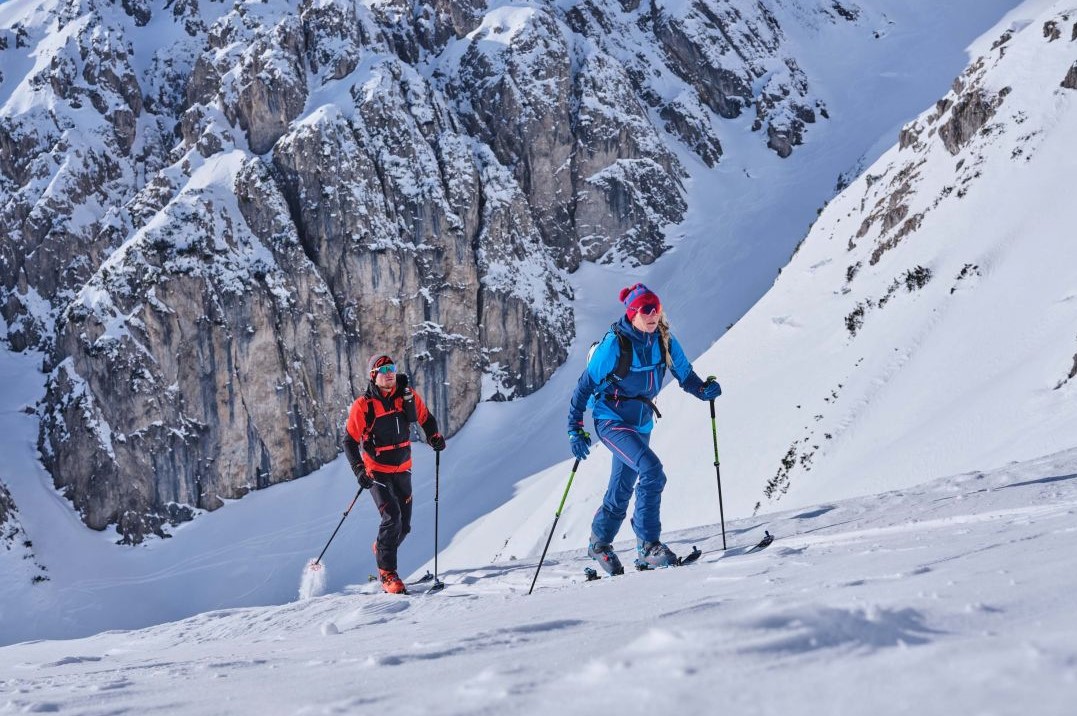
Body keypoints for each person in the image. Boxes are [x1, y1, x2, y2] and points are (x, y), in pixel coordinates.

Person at [566, 283, 721, 574]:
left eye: (656, 309)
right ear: (633, 314)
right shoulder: (615, 344)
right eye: (646, 310)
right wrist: (575, 428)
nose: (653, 315)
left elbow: (685, 376)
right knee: (651, 470)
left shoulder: (664, 340)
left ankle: (599, 543)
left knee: (622, 487)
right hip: (611, 420)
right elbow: (584, 386)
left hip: (641, 421)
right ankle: (648, 546)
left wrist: (704, 390)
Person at [343, 354, 446, 594]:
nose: (389, 373)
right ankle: (388, 574)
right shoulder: (364, 405)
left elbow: (426, 419)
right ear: (373, 376)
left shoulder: (406, 396)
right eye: (383, 369)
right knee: (392, 517)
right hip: (377, 470)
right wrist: (359, 470)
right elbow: (349, 441)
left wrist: (434, 438)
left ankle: (382, 548)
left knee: (405, 526)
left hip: (403, 468)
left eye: (392, 368)